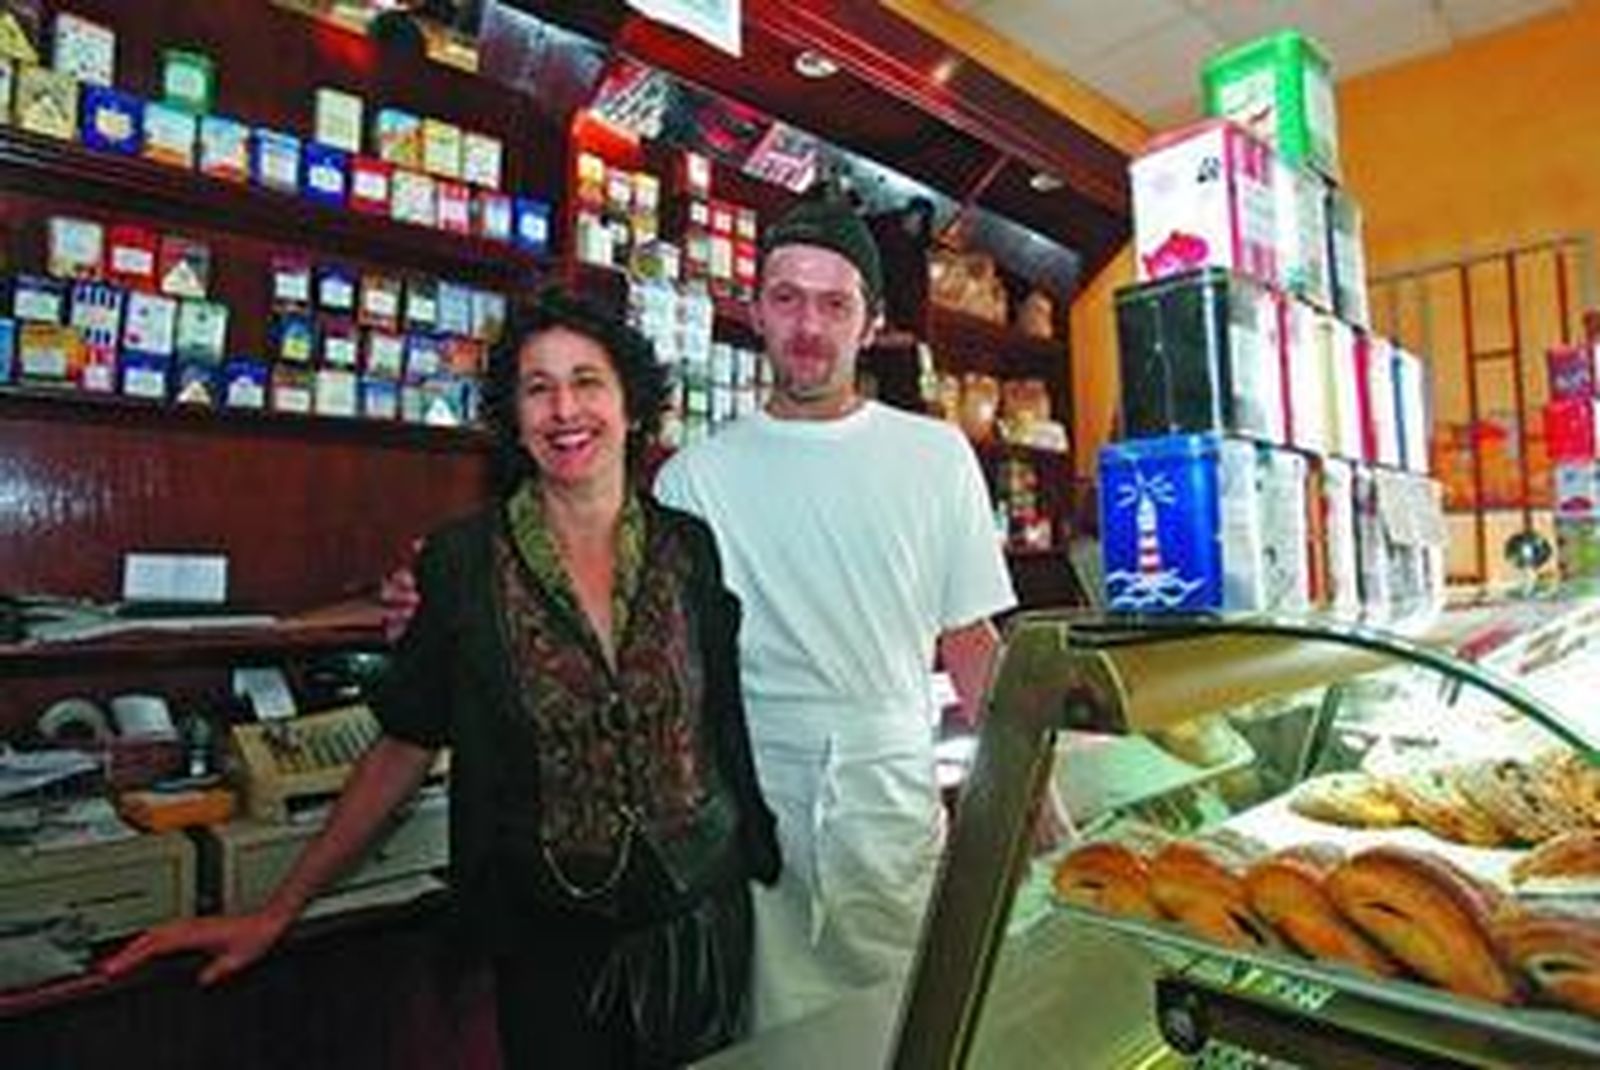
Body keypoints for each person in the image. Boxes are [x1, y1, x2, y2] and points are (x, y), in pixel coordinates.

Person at [101, 288, 780, 1069]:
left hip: (701, 925)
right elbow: (404, 744)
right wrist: (278, 910)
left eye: (587, 381)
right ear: (513, 420)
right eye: (538, 387)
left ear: (632, 407)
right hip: (551, 949)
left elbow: (720, 725)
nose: (565, 409)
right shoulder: (462, 563)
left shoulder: (689, 549)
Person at [652, 195, 1017, 1030]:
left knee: (906, 1029)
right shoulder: (693, 478)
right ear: (755, 312)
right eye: (786, 299)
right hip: (752, 817)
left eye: (834, 303)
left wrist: (1039, 813)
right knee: (770, 1040)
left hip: (891, 807)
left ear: (872, 321)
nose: (809, 326)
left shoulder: (935, 458)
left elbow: (970, 645)